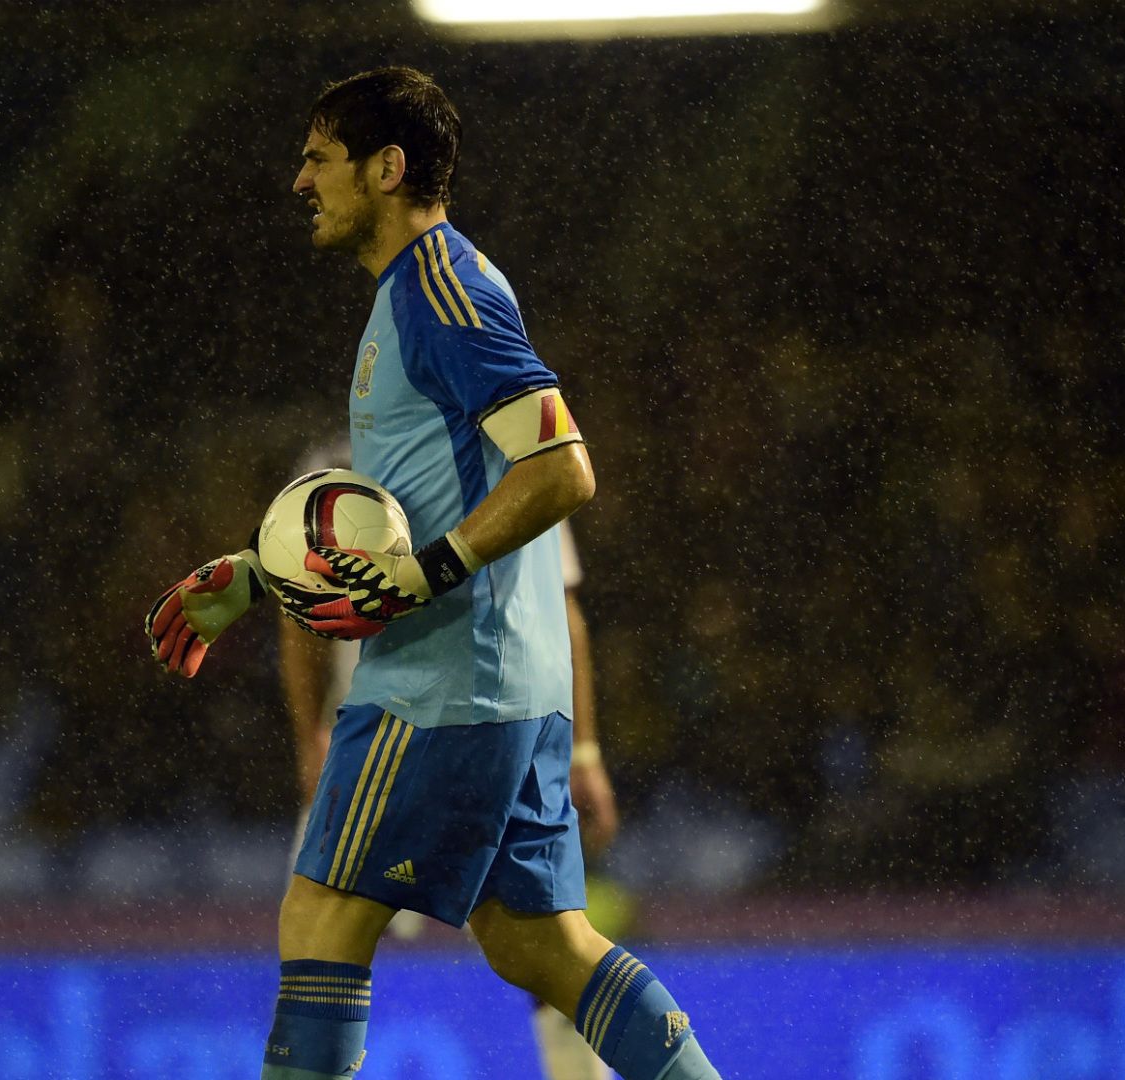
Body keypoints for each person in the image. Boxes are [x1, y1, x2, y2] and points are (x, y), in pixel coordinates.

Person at [145, 67, 721, 1080]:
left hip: (441, 686)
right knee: (535, 943)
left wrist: (431, 575)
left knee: (321, 912)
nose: (300, 181)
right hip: (507, 685)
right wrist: (255, 575)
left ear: (388, 167)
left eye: (320, 158)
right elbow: (394, 525)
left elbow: (562, 469)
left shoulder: (441, 289)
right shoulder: (414, 300)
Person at [280, 493, 620, 1080]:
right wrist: (309, 730)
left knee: (545, 945)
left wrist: (582, 750)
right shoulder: (336, 459)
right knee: (320, 935)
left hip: (484, 735)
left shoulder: (521, 459)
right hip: (375, 737)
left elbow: (561, 610)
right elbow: (301, 613)